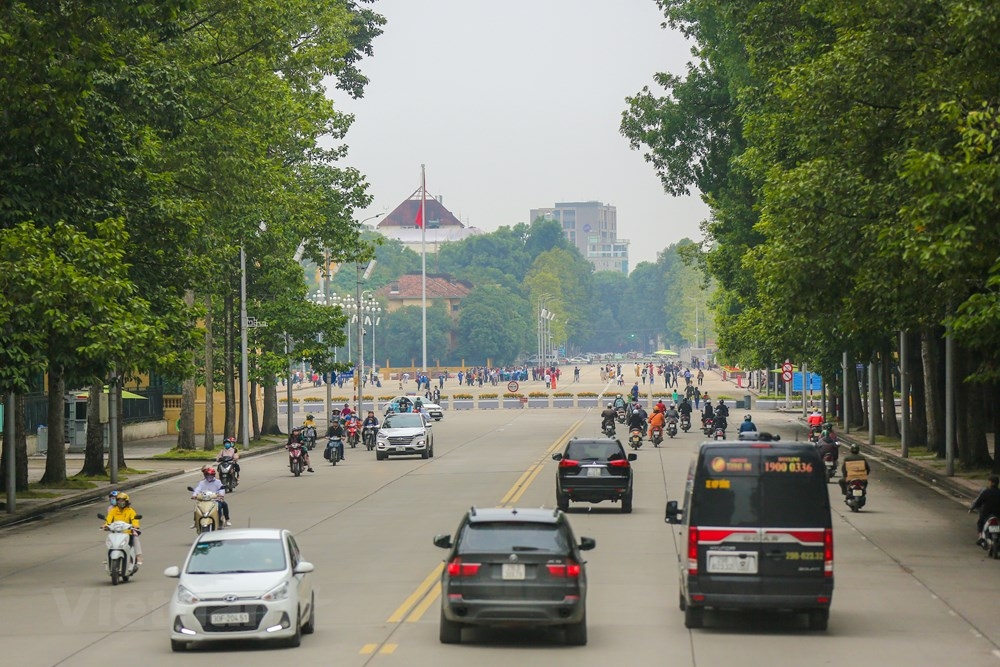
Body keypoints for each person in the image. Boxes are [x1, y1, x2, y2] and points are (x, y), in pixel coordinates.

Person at [103, 491, 142, 565]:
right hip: (116, 532)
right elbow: (109, 519)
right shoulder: (113, 510)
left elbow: (134, 519)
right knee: (109, 541)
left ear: (126, 502)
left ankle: (138, 556)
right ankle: (108, 556)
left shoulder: (131, 511)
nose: (121, 502)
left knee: (135, 538)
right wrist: (105, 525)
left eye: (123, 500)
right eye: (119, 500)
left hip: (127, 532)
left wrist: (135, 525)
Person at [970, 475, 1000, 546]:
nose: (988, 483)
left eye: (989, 482)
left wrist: (972, 508)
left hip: (987, 513)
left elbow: (978, 502)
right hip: (998, 514)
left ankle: (980, 537)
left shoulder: (986, 492)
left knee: (980, 522)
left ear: (992, 483)